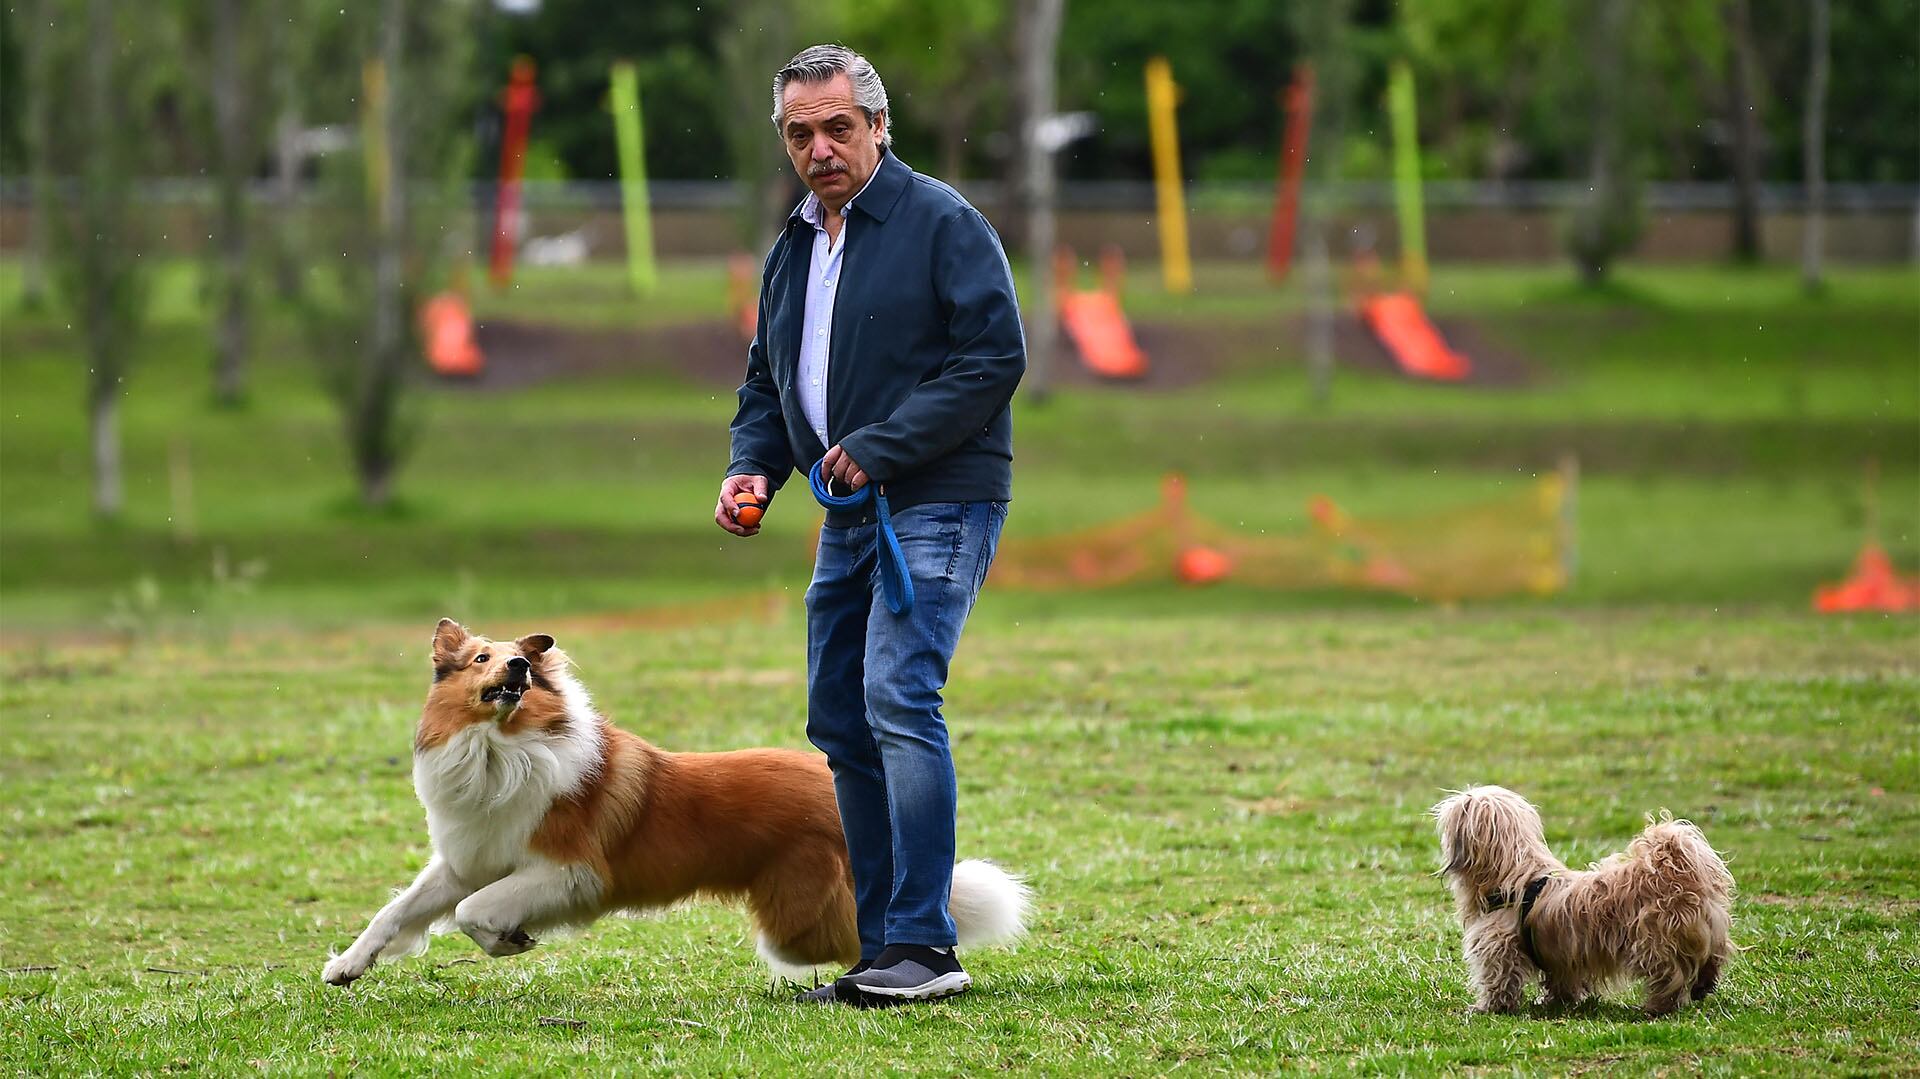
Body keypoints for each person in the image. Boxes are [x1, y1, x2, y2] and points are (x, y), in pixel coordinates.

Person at [715, 43, 1025, 1005]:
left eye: (838, 127)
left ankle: (926, 946)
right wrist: (753, 466)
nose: (820, 148)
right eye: (799, 133)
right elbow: (769, 383)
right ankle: (883, 941)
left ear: (879, 128)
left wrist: (883, 444)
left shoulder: (942, 222)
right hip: (848, 510)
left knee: (897, 696)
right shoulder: (792, 247)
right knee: (839, 717)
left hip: (939, 495)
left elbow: (994, 358)